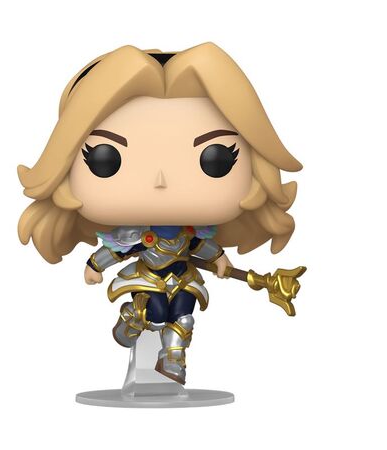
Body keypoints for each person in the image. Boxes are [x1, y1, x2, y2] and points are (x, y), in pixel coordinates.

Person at [18, 43, 302, 385]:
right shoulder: (138, 233)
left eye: (216, 158)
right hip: (147, 278)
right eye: (106, 158)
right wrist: (95, 265)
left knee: (184, 318)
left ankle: (173, 361)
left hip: (183, 277)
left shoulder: (191, 233)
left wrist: (221, 260)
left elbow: (202, 247)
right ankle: (133, 318)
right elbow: (119, 248)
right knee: (154, 315)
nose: (161, 181)